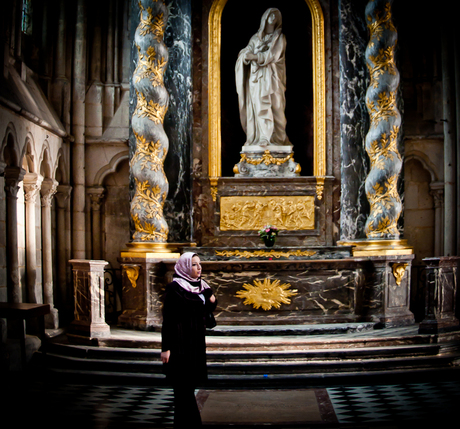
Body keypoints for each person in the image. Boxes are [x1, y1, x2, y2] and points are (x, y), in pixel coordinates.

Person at [161, 252, 217, 428]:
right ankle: (190, 426)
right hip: (179, 343)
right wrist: (166, 347)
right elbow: (168, 319)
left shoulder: (201, 286)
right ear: (185, 267)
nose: (199, 268)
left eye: (199, 264)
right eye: (194, 264)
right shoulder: (175, 288)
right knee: (182, 388)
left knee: (189, 387)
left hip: (196, 343)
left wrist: (212, 301)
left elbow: (206, 313)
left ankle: (185, 425)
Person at [235, 8, 291, 148]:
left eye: (275, 15)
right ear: (264, 18)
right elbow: (246, 51)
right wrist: (245, 55)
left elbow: (271, 56)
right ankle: (263, 137)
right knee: (259, 105)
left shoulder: (279, 38)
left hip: (273, 79)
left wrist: (254, 56)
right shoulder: (255, 38)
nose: (273, 17)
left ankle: (278, 139)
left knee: (276, 108)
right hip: (257, 79)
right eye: (270, 14)